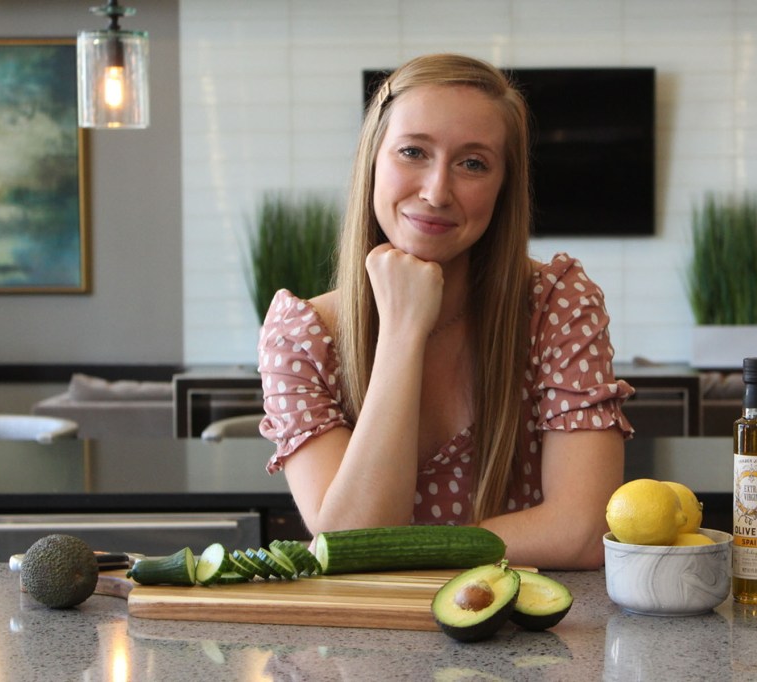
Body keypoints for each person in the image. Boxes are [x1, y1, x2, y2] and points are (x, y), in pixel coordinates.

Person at [257, 53, 633, 570]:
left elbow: (582, 530)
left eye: (472, 163)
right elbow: (352, 542)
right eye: (413, 151)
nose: (436, 192)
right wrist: (402, 330)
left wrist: (410, 556)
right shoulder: (301, 335)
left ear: (503, 188)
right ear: (373, 160)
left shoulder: (558, 306)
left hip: (528, 632)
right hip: (365, 642)